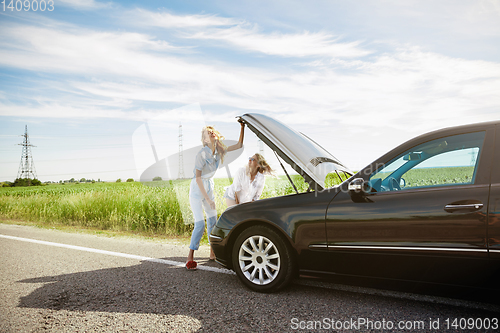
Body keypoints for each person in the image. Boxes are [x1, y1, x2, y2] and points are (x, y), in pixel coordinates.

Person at [185, 121, 245, 270]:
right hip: (197, 190)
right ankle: (190, 257)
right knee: (200, 224)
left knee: (213, 222)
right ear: (205, 140)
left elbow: (239, 145)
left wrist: (242, 127)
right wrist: (208, 199)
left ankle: (212, 253)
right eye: (208, 133)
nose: (211, 133)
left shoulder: (219, 151)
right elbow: (198, 178)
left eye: (212, 131)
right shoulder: (201, 154)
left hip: (209, 187)